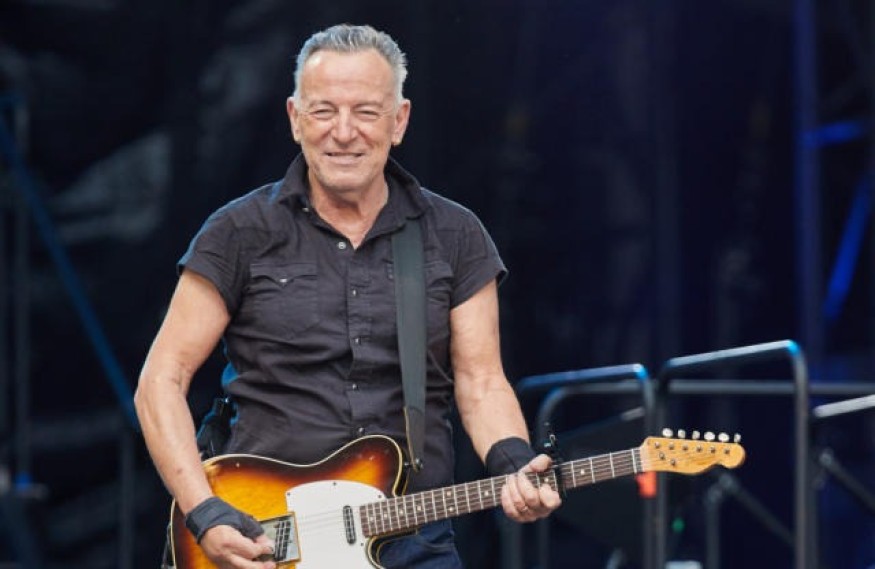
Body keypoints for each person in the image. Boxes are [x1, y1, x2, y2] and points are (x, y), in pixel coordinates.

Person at [134, 23, 561, 569]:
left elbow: (481, 383)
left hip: (413, 539)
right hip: (268, 538)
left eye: (365, 112)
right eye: (323, 111)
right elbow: (161, 381)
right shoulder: (238, 232)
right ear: (295, 119)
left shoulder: (455, 234)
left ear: (399, 121)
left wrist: (514, 463)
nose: (343, 132)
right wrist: (204, 511)